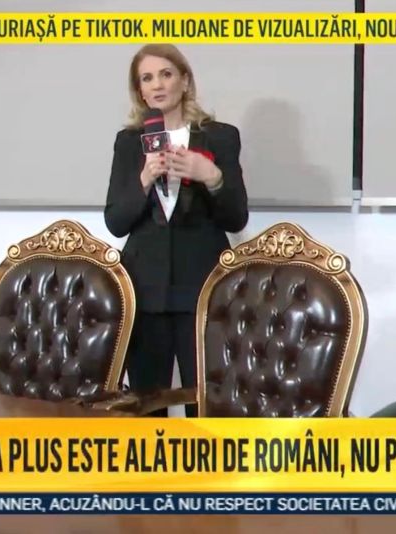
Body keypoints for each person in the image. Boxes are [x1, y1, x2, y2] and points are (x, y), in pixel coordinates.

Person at [104, 44, 249, 417]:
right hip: (144, 290)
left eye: (166, 74)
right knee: (146, 405)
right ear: (140, 91)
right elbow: (116, 222)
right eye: (147, 78)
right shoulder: (129, 142)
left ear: (184, 81)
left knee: (205, 405)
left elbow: (236, 218)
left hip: (202, 290)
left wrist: (211, 177)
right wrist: (143, 179)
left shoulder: (219, 137)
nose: (157, 85)